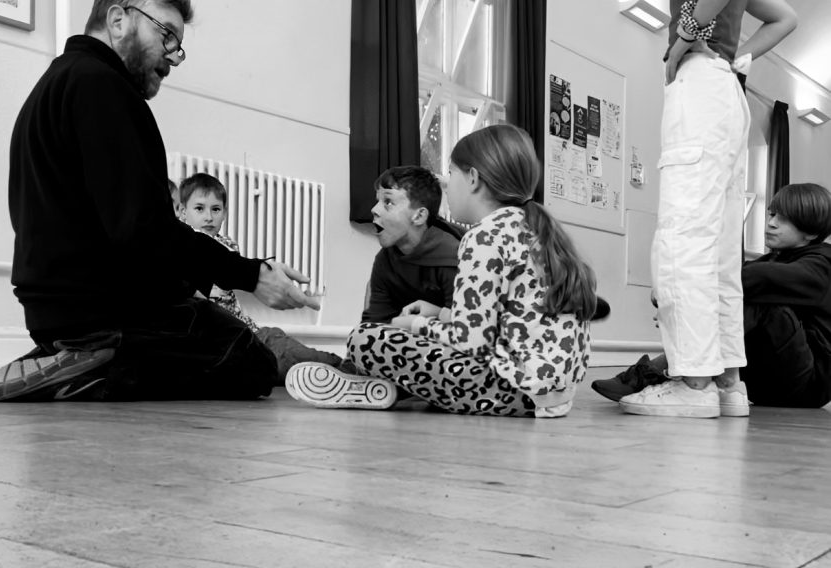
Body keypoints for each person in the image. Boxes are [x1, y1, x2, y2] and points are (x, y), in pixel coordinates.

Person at [0, 0, 319, 403]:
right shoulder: (101, 85)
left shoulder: (57, 83)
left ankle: (65, 354)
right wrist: (252, 274)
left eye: (179, 43)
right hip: (106, 312)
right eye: (166, 34)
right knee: (251, 361)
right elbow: (145, 231)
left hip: (54, 314)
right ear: (119, 20)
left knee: (209, 324)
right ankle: (98, 364)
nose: (174, 55)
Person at [285, 124, 598, 417]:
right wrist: (441, 314)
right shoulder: (536, 231)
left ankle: (387, 385)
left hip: (510, 392)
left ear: (473, 178)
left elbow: (472, 343)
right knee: (409, 339)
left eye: (451, 173)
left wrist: (418, 324)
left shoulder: (484, 237)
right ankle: (394, 386)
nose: (446, 184)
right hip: (556, 397)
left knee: (366, 339)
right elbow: (506, 321)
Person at [619, 0, 797, 418]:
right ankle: (727, 384)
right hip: (727, 89)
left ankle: (693, 383)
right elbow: (786, 17)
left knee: (685, 239)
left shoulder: (695, 57)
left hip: (701, 84)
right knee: (718, 252)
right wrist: (737, 59)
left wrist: (685, 36)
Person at [595, 183, 831, 411]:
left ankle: (660, 372)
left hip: (807, 386)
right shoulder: (775, 260)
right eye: (772, 214)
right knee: (733, 294)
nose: (771, 223)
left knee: (755, 299)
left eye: (784, 219)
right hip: (763, 385)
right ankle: (680, 372)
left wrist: (682, 294)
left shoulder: (823, 264)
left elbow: (754, 278)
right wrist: (683, 302)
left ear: (811, 231)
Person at [178, 173, 351, 384]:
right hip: (215, 336)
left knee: (290, 351)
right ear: (182, 212)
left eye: (216, 209)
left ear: (224, 214)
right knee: (273, 363)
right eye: (199, 209)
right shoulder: (178, 251)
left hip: (244, 329)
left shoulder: (227, 245)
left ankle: (345, 370)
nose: (208, 217)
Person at [362, 166, 462, 324]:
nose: (374, 209)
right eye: (377, 201)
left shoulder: (454, 259)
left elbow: (463, 332)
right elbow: (374, 324)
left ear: (419, 216)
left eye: (388, 202)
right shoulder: (385, 259)